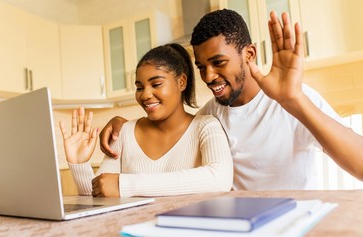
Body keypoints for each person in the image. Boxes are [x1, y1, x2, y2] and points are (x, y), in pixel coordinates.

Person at [99, 9, 363, 190]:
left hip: (291, 231)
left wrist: (293, 100)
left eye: (218, 62)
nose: (209, 76)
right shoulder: (209, 116)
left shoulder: (293, 101)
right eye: (201, 66)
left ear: (249, 54)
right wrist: (124, 124)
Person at [59, 43, 233, 197]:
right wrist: (79, 163)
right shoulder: (124, 132)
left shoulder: (206, 126)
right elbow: (101, 191)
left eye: (156, 84)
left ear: (181, 82)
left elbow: (219, 179)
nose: (145, 95)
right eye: (139, 87)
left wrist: (125, 184)